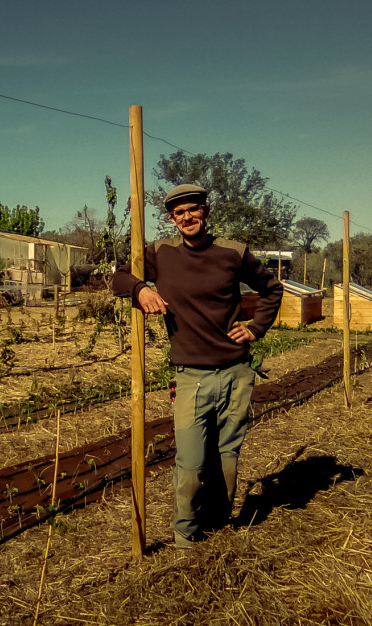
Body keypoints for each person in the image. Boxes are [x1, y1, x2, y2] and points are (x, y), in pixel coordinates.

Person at [112, 183, 284, 548]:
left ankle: (218, 528)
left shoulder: (233, 253)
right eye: (179, 213)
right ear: (172, 219)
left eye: (193, 209)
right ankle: (185, 540)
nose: (187, 217)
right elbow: (119, 276)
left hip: (236, 373)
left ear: (206, 211)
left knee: (227, 460)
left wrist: (255, 328)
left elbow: (272, 288)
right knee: (190, 467)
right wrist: (140, 289)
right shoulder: (161, 252)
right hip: (190, 377)